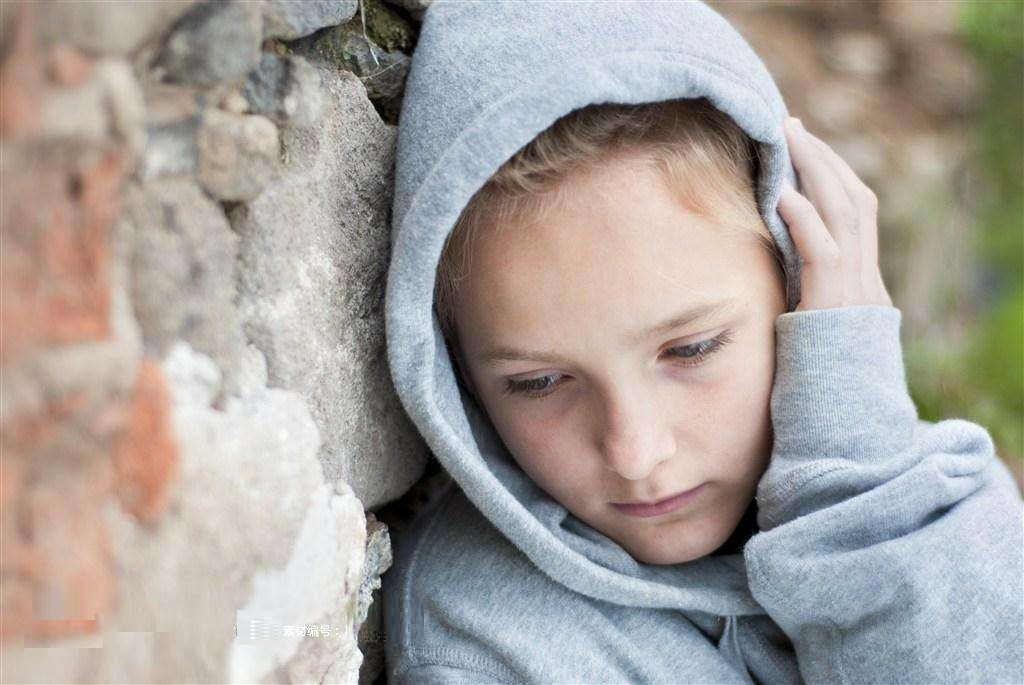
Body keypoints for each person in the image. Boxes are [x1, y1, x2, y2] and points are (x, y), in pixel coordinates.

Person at [380, 1, 1024, 683]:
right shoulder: (482, 643)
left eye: (691, 348)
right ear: (457, 376)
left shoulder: (934, 502)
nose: (636, 452)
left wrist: (858, 485)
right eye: (538, 382)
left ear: (797, 276)